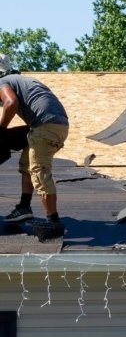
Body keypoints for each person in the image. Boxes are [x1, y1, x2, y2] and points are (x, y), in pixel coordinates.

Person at [0, 54, 70, 235]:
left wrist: (1, 130)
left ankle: (53, 223)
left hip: (45, 126)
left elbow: (10, 103)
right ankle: (24, 207)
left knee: (39, 173)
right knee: (27, 164)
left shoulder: (3, 83)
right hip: (56, 124)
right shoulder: (21, 80)